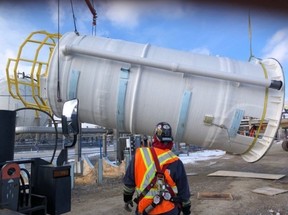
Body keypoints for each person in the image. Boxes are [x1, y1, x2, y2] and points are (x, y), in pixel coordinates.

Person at [123, 122, 191, 215]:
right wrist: (186, 208)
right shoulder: (175, 161)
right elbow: (184, 191)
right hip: (169, 210)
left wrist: (127, 199)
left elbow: (129, 183)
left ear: (155, 138)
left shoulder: (140, 155)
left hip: (144, 209)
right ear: (170, 140)